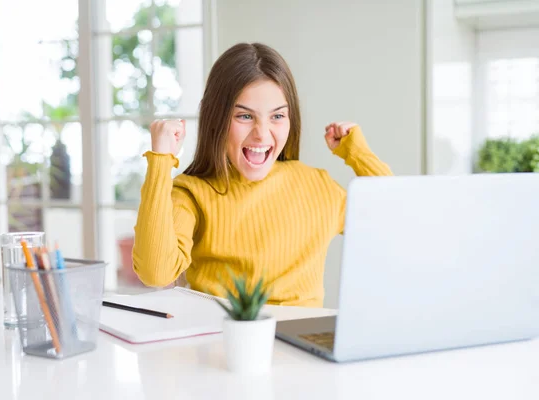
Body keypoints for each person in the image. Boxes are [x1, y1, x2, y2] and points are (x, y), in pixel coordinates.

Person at [133, 42, 392, 307]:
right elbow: (156, 273)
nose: (262, 133)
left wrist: (357, 154)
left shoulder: (317, 184)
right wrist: (160, 161)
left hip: (302, 343)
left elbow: (393, 219)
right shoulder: (192, 192)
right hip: (220, 339)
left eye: (277, 116)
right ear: (216, 119)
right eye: (245, 116)